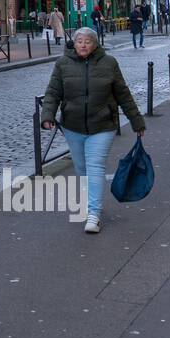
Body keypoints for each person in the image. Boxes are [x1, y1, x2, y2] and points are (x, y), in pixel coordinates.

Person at [39, 27, 147, 234]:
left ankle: (94, 214)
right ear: (74, 43)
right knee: (82, 169)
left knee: (95, 166)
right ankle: (91, 203)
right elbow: (53, 92)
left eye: (87, 41)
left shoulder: (109, 63)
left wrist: (137, 121)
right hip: (73, 125)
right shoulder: (63, 64)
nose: (83, 44)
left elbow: (123, 94)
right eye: (79, 40)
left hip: (102, 124)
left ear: (95, 43)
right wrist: (47, 116)